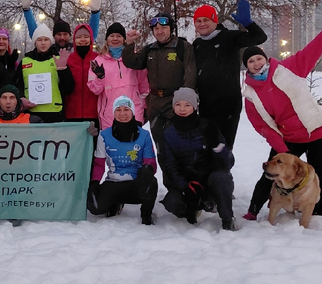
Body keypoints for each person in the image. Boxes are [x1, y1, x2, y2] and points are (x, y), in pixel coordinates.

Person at [242, 0, 322, 221]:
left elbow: (313, 50)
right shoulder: (251, 95)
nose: (256, 63)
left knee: (319, 177)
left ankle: (318, 215)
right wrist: (282, 149)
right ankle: (253, 211)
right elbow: (263, 127)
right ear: (246, 67)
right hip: (289, 139)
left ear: (265, 59)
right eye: (251, 61)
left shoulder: (289, 68)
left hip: (319, 132)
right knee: (269, 173)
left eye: (259, 58)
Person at [123, 13, 196, 177]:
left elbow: (190, 74)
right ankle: (170, 181)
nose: (159, 31)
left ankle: (186, 182)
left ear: (171, 28)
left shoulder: (183, 47)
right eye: (156, 28)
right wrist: (129, 43)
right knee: (161, 147)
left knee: (180, 146)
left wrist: (186, 101)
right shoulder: (150, 49)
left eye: (163, 27)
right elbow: (132, 62)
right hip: (156, 105)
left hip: (176, 104)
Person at [191, 0, 268, 148]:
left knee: (223, 149)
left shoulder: (229, 37)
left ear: (215, 21)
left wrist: (248, 24)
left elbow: (260, 37)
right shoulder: (197, 44)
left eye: (206, 20)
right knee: (206, 148)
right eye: (198, 21)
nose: (202, 24)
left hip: (228, 105)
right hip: (206, 105)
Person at [159, 88, 236, 231]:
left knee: (221, 178)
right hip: (187, 183)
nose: (182, 109)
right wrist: (185, 186)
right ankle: (191, 210)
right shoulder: (168, 132)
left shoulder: (208, 126)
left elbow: (228, 163)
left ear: (194, 107)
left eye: (187, 105)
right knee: (172, 202)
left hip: (210, 181)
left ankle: (227, 219)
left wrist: (217, 146)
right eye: (178, 104)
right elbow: (168, 164)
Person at [89, 95, 158, 224]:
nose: (122, 114)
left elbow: (151, 162)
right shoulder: (104, 135)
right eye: (118, 110)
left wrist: (147, 170)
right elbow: (99, 164)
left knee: (152, 183)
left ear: (133, 112)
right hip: (113, 182)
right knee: (94, 207)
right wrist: (94, 183)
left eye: (126, 109)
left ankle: (146, 214)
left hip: (136, 184)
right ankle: (115, 203)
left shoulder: (144, 135)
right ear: (113, 112)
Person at [87, 22, 150, 128]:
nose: (115, 39)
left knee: (135, 138)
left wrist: (142, 105)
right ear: (107, 39)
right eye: (112, 36)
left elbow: (144, 85)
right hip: (109, 114)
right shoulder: (98, 61)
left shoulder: (134, 58)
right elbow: (95, 90)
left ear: (124, 39)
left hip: (134, 110)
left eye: (119, 36)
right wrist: (100, 77)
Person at [20, 23, 73, 121]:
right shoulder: (25, 61)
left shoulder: (59, 59)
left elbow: (69, 88)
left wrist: (63, 70)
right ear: (35, 42)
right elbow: (18, 84)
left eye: (46, 39)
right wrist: (21, 98)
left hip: (55, 112)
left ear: (50, 41)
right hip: (32, 113)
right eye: (39, 40)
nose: (43, 43)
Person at [62, 22, 101, 129]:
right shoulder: (68, 59)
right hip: (72, 113)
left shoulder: (98, 58)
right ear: (74, 40)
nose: (82, 39)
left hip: (93, 113)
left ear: (91, 39)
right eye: (79, 37)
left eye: (86, 37)